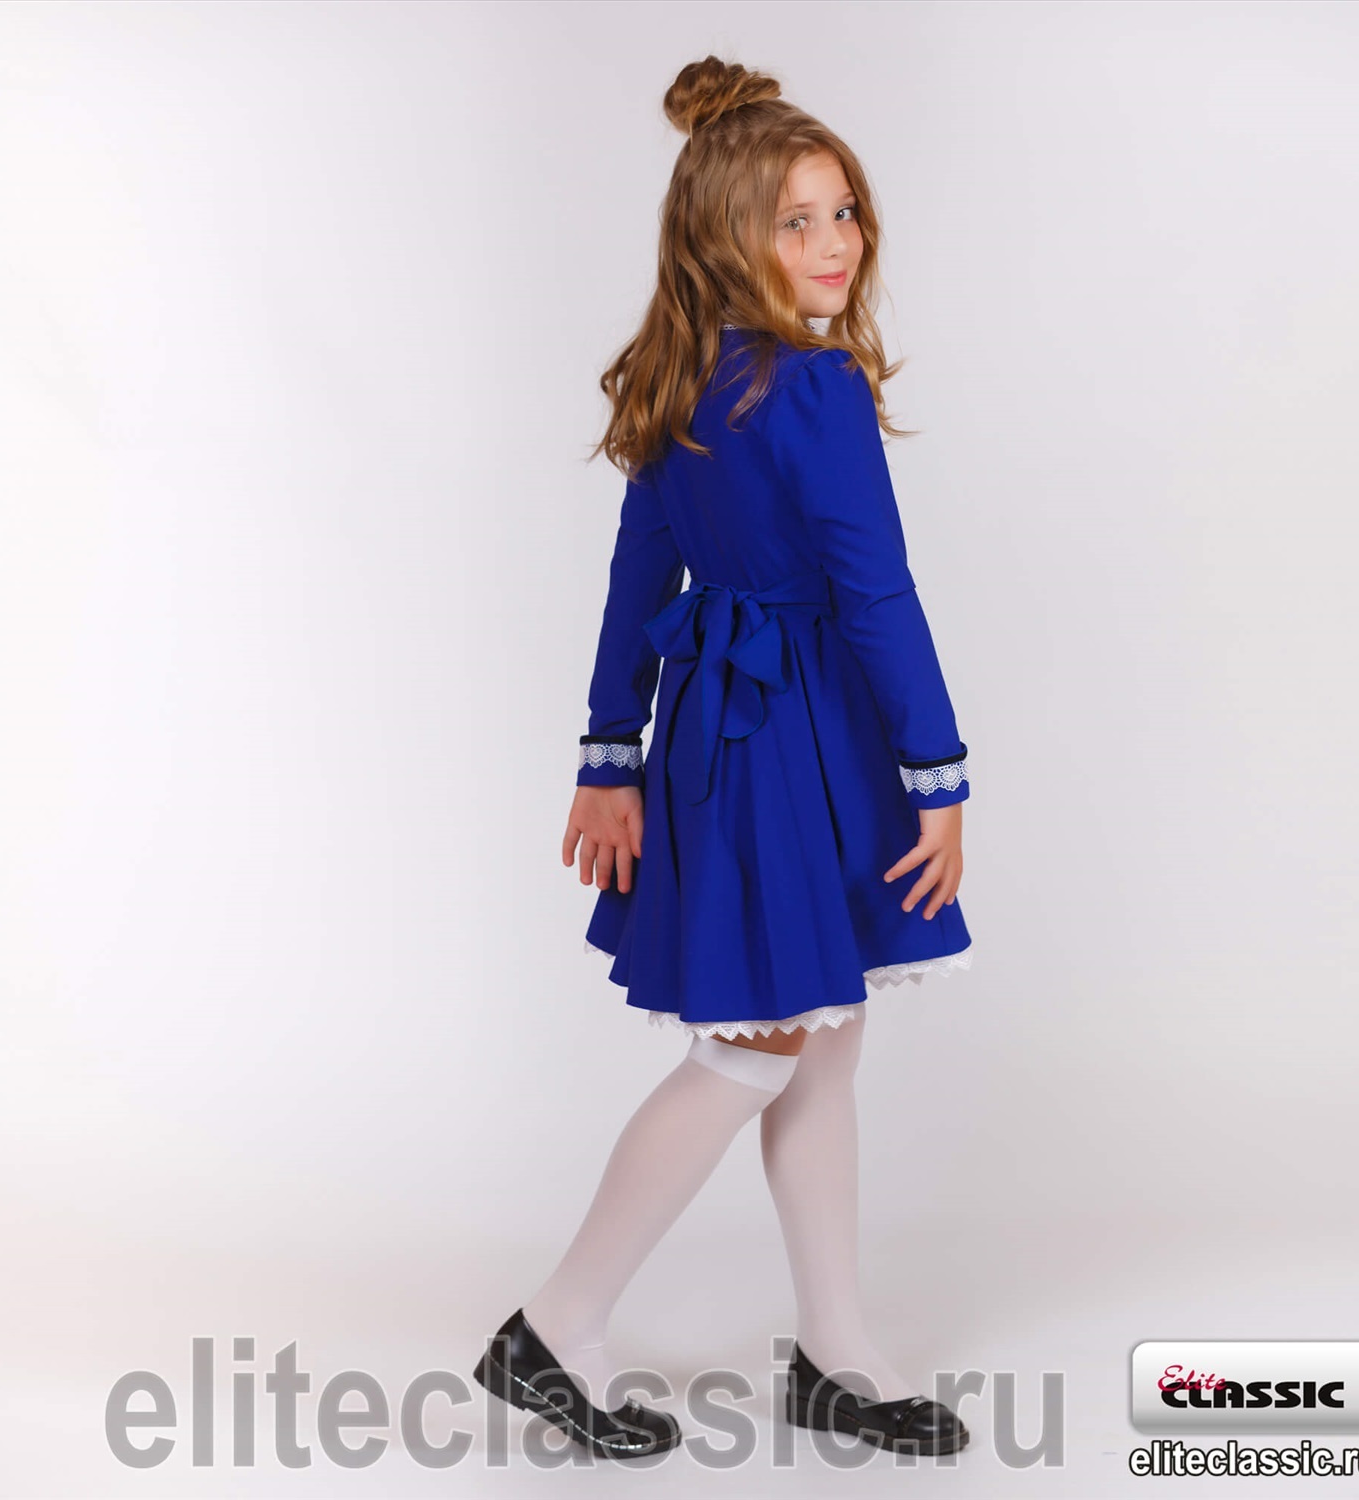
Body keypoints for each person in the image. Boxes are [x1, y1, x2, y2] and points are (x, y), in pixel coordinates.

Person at [473, 55, 974, 1462]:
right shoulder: (813, 387)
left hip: (728, 727)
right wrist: (940, 777)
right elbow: (876, 593)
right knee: (758, 1050)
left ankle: (838, 1353)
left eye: (843, 212)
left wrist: (610, 753)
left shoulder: (684, 373)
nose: (835, 243)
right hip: (793, 730)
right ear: (724, 236)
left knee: (821, 1041)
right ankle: (557, 1325)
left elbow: (638, 577)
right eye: (796, 221)